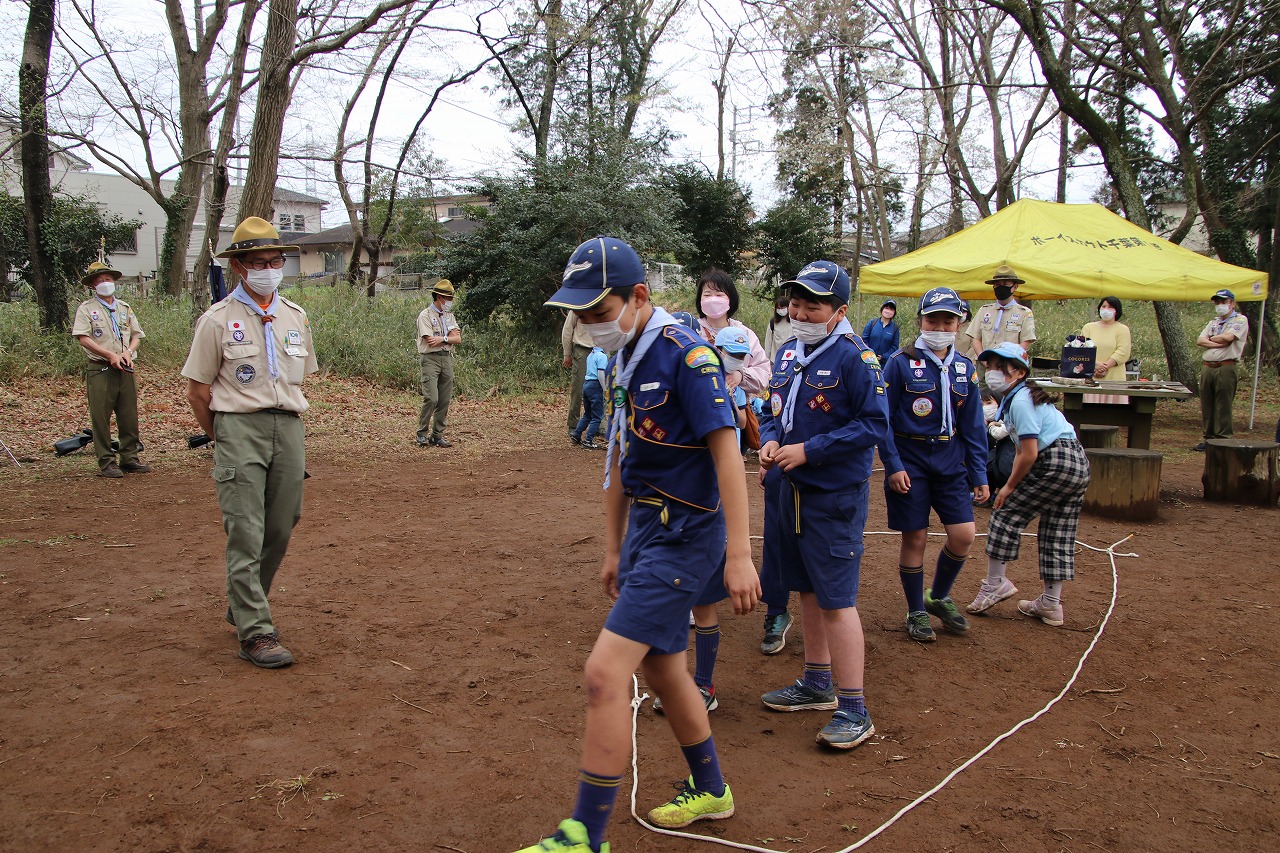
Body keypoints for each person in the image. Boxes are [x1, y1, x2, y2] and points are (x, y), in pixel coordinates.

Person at [514, 236, 760, 853]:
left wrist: (738, 553)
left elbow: (728, 455)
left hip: (687, 534)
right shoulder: (625, 356)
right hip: (648, 532)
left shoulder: (686, 356)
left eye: (599, 312)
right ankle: (712, 790)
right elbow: (621, 458)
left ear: (639, 297)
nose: (590, 326)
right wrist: (614, 547)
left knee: (604, 674)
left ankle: (583, 836)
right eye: (581, 316)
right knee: (662, 667)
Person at [757, 260, 890, 750]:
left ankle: (855, 709)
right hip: (790, 491)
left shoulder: (858, 358)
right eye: (795, 304)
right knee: (808, 589)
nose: (800, 314)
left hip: (833, 496)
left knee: (836, 599)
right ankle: (817, 682)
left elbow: (874, 424)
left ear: (840, 310)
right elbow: (773, 408)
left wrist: (810, 450)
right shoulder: (789, 351)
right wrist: (771, 439)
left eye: (812, 306)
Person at [181, 216, 318, 669]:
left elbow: (301, 377)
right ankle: (256, 631)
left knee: (282, 523)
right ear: (239, 267)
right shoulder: (217, 320)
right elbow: (197, 392)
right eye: (258, 263)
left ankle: (242, 602)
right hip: (238, 427)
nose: (268, 270)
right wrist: (221, 437)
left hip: (289, 426)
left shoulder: (295, 316)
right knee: (245, 528)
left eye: (275, 261)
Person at [650, 327, 752, 718]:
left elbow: (732, 447)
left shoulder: (717, 389)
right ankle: (676, 682)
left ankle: (703, 685)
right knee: (672, 602)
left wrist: (739, 553)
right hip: (667, 510)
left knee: (704, 603)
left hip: (706, 509)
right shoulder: (663, 390)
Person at [878, 287, 989, 643]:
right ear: (920, 321)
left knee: (964, 534)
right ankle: (916, 610)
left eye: (948, 321)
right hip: (910, 459)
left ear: (959, 325)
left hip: (950, 459)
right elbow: (882, 419)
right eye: (933, 320)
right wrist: (893, 465)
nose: (940, 328)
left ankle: (938, 596)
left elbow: (973, 425)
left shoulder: (964, 368)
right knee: (916, 537)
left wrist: (979, 472)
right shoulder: (899, 363)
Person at [967, 343, 1090, 627]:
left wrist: (1009, 487)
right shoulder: (1019, 399)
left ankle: (995, 584)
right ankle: (1051, 604)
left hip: (1055, 461)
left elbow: (1029, 453)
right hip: (1077, 462)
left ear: (1020, 372)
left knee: (1005, 514)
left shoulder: (1021, 400)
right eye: (990, 366)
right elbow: (1022, 449)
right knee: (1058, 530)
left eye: (1001, 367)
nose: (993, 372)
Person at [71, 261, 150, 478]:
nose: (105, 283)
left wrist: (128, 352)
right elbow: (83, 337)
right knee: (101, 416)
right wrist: (109, 355)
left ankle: (129, 457)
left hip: (125, 367)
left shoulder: (124, 307)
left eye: (108, 279)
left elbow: (137, 335)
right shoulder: (87, 309)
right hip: (101, 369)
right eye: (99, 281)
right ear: (92, 285)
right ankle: (106, 461)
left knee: (128, 415)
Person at [693, 268, 770, 395]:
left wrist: (741, 375)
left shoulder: (744, 334)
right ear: (700, 299)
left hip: (736, 406)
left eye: (719, 295)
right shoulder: (692, 331)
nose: (713, 299)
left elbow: (764, 372)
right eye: (707, 295)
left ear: (730, 299)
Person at [1194, 289, 1249, 451]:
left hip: (1226, 366)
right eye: (1217, 302)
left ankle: (1223, 439)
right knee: (1207, 403)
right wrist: (1216, 341)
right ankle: (1208, 438)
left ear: (1232, 304)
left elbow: (1228, 338)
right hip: (1208, 366)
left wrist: (1210, 340)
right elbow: (1200, 340)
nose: (1220, 305)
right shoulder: (1213, 322)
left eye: (1224, 302)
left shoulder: (1240, 320)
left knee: (1223, 404)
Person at [415, 280, 462, 448]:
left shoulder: (449, 316)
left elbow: (458, 339)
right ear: (439, 297)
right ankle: (422, 433)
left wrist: (443, 338)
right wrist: (448, 338)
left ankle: (437, 435)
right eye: (448, 298)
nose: (450, 301)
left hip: (446, 358)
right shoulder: (425, 315)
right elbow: (430, 341)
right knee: (431, 398)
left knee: (444, 399)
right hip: (430, 359)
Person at [966, 264, 1036, 363]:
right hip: (985, 363)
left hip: (1010, 363)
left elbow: (1026, 341)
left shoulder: (1024, 313)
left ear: (1015, 287)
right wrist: (983, 360)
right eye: (997, 285)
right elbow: (975, 338)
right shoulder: (984, 311)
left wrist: (1009, 362)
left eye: (1005, 284)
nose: (1001, 287)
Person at [1081, 296, 1132, 382]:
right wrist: (1095, 365)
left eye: (1110, 307)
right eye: (1104, 306)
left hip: (1114, 379)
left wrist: (1104, 367)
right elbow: (1082, 350)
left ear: (1117, 311)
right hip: (1089, 378)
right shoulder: (1088, 327)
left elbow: (1123, 352)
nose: (1106, 309)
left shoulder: (1123, 329)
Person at [562, 311, 595, 438]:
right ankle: (573, 424)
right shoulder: (578, 306)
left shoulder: (604, 303)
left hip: (600, 350)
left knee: (601, 388)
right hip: (582, 349)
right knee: (578, 389)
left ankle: (599, 424)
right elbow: (567, 329)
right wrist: (567, 354)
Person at [570, 345, 609, 449]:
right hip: (595, 386)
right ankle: (589, 440)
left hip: (587, 384)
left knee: (587, 414)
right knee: (597, 416)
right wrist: (604, 388)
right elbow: (600, 373)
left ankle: (576, 436)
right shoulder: (602, 356)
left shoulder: (591, 354)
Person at [861, 299, 900, 363]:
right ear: (882, 309)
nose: (888, 311)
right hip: (868, 360)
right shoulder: (872, 323)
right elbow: (864, 340)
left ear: (894, 313)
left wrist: (884, 357)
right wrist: (870, 354)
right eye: (886, 308)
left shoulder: (895, 328)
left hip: (885, 364)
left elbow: (894, 347)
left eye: (891, 309)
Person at [763, 289, 792, 361]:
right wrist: (766, 359)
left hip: (790, 357)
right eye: (778, 308)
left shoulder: (794, 322)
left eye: (783, 308)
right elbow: (768, 342)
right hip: (775, 359)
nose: (781, 310)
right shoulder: (773, 322)